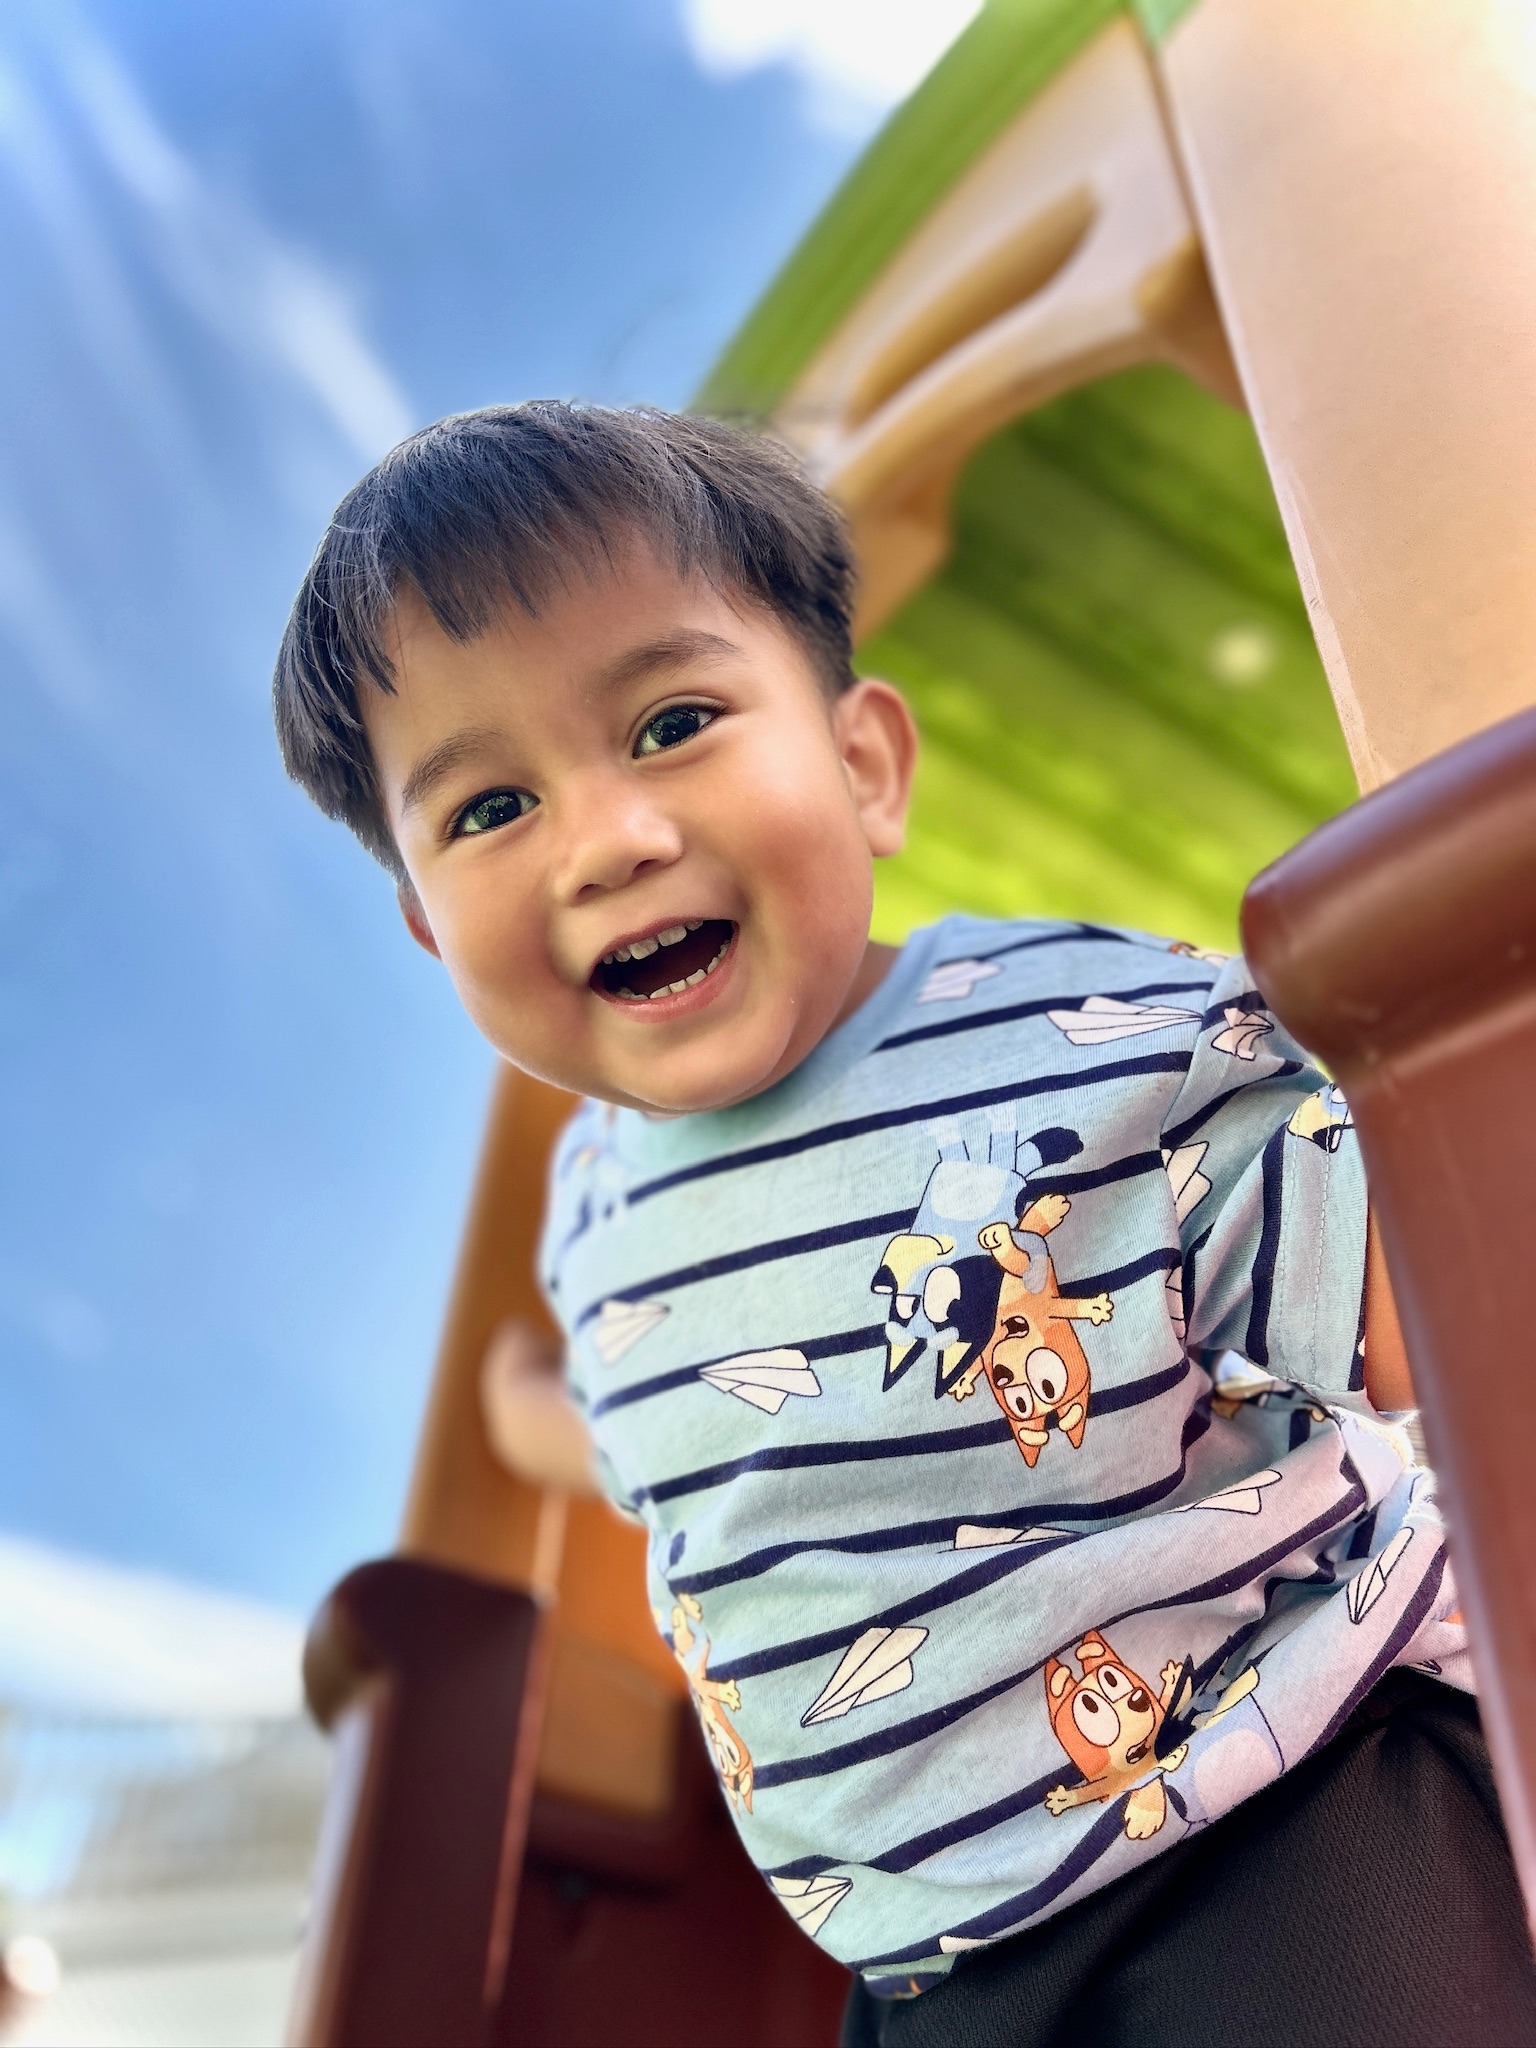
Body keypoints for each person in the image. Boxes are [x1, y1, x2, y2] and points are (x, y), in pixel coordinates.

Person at [273, 402, 1536, 2046]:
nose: (606, 839)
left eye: (670, 721)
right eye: (488, 809)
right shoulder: (592, 1214)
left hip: (1279, 1811)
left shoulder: (1084, 1047)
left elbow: (1423, 1266)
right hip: (921, 1956)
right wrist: (526, 1414)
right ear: (431, 936)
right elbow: (664, 1432)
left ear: (863, 764)